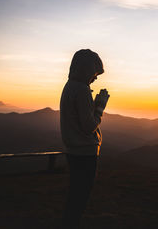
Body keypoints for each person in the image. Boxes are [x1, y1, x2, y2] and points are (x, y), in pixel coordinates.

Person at [60, 49, 110, 228]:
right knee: (80, 197)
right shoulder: (81, 90)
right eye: (94, 73)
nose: (95, 78)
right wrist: (100, 106)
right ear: (86, 69)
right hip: (85, 153)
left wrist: (93, 105)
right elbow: (89, 127)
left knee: (75, 195)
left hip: (73, 151)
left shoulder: (69, 86)